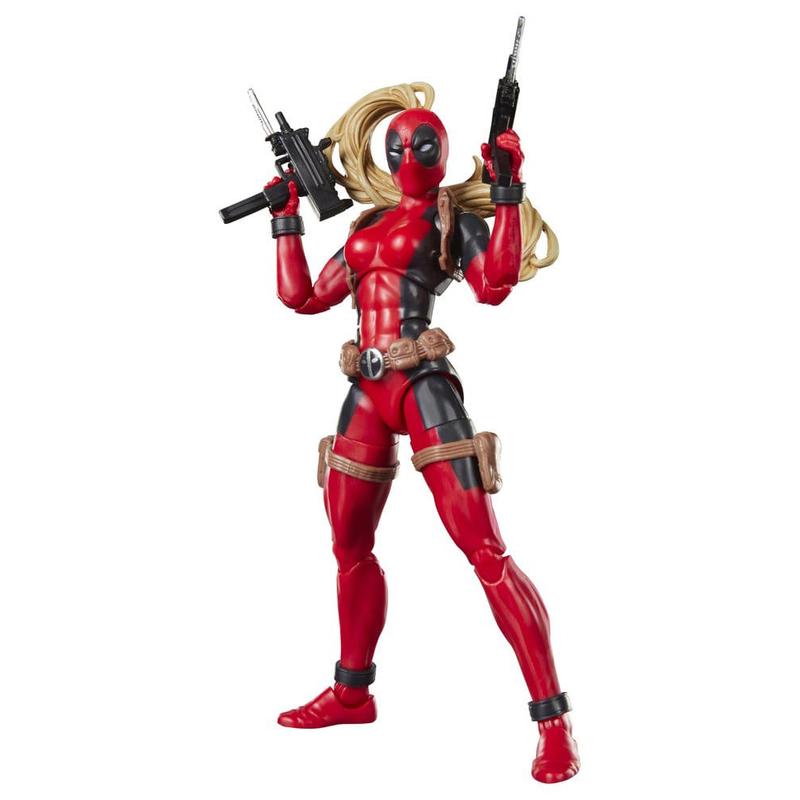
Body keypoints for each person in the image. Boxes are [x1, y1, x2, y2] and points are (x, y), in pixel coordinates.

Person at [267, 83, 579, 784]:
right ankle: (352, 693)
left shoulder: (449, 220)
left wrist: (506, 191)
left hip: (423, 386)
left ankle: (553, 722)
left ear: (441, 153)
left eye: (423, 143)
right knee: (348, 545)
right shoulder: (367, 227)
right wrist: (285, 222)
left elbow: (494, 285)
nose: (409, 154)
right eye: (399, 144)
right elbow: (303, 297)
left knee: (486, 551)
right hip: (364, 391)